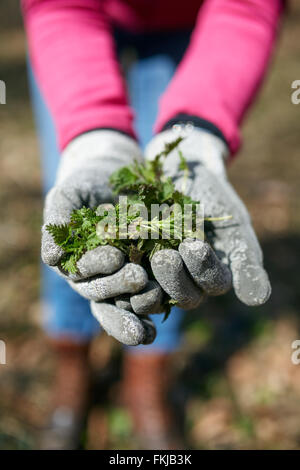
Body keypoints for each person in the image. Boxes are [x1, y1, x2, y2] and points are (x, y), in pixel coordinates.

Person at [22, 0, 284, 450]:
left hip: (193, 22)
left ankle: (149, 377)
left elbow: (247, 7)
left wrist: (197, 136)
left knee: (182, 250)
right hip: (76, 19)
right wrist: (92, 137)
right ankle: (72, 365)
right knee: (72, 196)